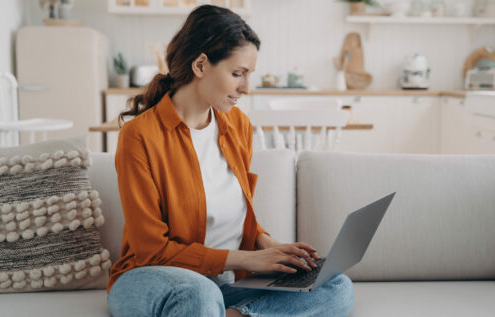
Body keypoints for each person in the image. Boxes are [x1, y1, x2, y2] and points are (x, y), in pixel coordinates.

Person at [106, 5, 354, 317]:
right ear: (200, 65)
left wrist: (270, 246)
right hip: (151, 278)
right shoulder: (139, 137)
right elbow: (151, 250)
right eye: (237, 74)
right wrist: (248, 260)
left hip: (222, 282)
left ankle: (235, 314)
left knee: (335, 285)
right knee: (199, 292)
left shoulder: (237, 125)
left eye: (249, 75)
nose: (246, 88)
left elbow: (236, 216)